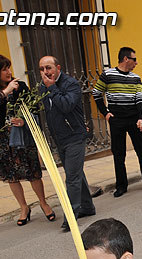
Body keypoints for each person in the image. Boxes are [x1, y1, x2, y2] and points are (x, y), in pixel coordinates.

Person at [0, 53, 55, 226]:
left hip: (22, 134)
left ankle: (43, 203)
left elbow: (33, 106)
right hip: (1, 136)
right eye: (4, 69)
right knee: (11, 174)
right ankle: (24, 207)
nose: (8, 72)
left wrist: (24, 120)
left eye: (8, 68)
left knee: (32, 170)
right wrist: (6, 92)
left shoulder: (20, 86)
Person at [38, 56, 96, 232]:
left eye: (48, 68)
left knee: (71, 178)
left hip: (74, 136)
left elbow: (66, 105)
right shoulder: (43, 86)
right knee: (76, 172)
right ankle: (87, 207)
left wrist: (52, 88)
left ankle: (70, 217)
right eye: (41, 69)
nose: (45, 72)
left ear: (58, 67)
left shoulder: (70, 84)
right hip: (59, 138)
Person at [93, 47, 142, 198]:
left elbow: (140, 99)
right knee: (118, 154)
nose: (136, 62)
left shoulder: (136, 78)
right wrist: (105, 113)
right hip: (116, 119)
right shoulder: (108, 75)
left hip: (134, 118)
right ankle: (121, 185)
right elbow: (96, 93)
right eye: (134, 59)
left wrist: (141, 117)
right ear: (126, 59)